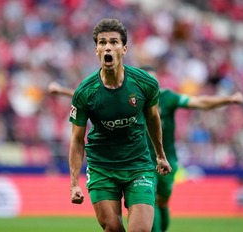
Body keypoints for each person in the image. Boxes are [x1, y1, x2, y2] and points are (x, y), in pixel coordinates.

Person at [48, 65, 243, 232]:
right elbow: (93, 98)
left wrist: (228, 100)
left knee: (161, 204)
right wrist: (63, 91)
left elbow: (198, 101)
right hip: (140, 161)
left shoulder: (168, 98)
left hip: (166, 161)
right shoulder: (130, 96)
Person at [63, 18, 172, 232]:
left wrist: (160, 155)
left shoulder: (145, 84)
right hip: (102, 166)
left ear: (124, 48)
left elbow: (153, 119)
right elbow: (77, 140)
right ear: (96, 50)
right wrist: (74, 183)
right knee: (112, 228)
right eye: (102, 43)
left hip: (138, 165)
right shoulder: (85, 92)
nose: (107, 47)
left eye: (113, 42)